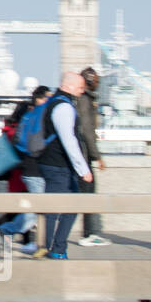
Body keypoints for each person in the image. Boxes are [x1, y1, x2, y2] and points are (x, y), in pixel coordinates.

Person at [35, 72, 93, 260]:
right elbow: (69, 140)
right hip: (58, 165)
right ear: (68, 86)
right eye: (80, 86)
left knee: (62, 206)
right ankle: (55, 248)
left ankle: (53, 246)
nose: (82, 89)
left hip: (53, 163)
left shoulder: (56, 102)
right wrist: (83, 169)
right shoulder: (63, 106)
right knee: (63, 207)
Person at [0, 86, 48, 252]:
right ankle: (8, 231)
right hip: (25, 172)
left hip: (19, 173)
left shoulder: (18, 124)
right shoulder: (32, 121)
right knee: (32, 209)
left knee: (26, 208)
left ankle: (17, 236)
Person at [75, 67, 110, 247]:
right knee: (88, 194)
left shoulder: (81, 99)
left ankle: (89, 233)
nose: (98, 83)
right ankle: (89, 234)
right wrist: (97, 156)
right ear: (88, 81)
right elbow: (88, 131)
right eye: (96, 80)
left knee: (84, 194)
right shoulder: (85, 101)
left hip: (80, 154)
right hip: (84, 155)